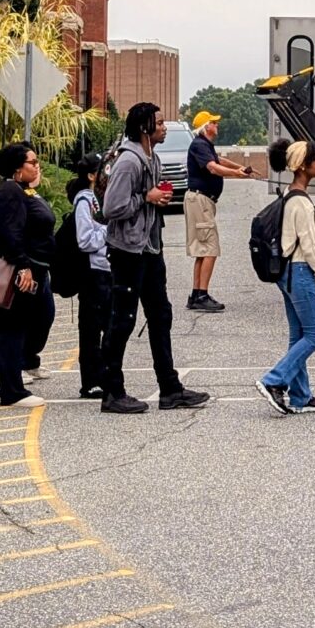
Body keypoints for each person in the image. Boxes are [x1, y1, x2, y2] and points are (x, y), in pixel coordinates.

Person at [98, 101, 210, 415]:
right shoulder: (128, 161)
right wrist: (146, 198)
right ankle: (112, 392)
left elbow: (144, 201)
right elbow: (111, 208)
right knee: (123, 320)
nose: (164, 127)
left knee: (160, 315)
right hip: (127, 251)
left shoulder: (153, 158)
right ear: (144, 128)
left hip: (149, 248)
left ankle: (170, 388)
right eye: (159, 123)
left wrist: (157, 199)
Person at [0, 142, 55, 406]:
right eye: (32, 162)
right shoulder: (10, 192)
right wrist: (23, 265)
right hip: (15, 270)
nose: (37, 166)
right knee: (11, 327)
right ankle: (12, 391)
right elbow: (9, 232)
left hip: (23, 266)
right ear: (17, 167)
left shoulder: (18, 190)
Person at [257, 140, 315, 414]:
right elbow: (309, 245)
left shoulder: (291, 194)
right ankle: (273, 380)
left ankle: (301, 395)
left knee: (298, 335)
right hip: (301, 271)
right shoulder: (300, 202)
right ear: (303, 166)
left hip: (288, 272)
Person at [182, 108, 256, 312]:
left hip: (202, 200)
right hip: (200, 200)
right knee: (210, 248)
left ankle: (196, 294)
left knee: (202, 249)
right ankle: (202, 295)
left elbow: (219, 161)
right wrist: (236, 173)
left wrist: (240, 168)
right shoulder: (199, 145)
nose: (217, 125)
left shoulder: (205, 145)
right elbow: (213, 167)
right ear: (206, 127)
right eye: (214, 122)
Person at [68, 154, 114, 399]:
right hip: (92, 273)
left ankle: (106, 375)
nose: (108, 173)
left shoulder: (100, 198)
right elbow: (84, 240)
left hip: (107, 269)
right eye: (104, 169)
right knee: (91, 329)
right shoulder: (85, 201)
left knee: (109, 326)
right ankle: (91, 381)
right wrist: (110, 232)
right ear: (91, 175)